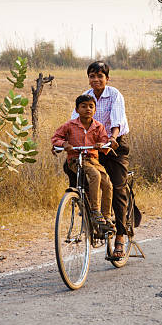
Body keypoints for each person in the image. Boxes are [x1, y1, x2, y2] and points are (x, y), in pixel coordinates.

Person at [69, 61, 130, 258]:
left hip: (112, 145)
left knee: (117, 187)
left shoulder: (114, 95)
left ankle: (120, 236)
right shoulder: (85, 96)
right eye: (92, 76)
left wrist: (112, 138)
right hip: (91, 146)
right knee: (71, 165)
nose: (95, 80)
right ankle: (82, 201)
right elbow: (73, 122)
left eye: (100, 76)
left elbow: (117, 119)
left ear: (107, 78)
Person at [52, 94, 115, 229]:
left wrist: (101, 144)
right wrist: (64, 144)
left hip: (93, 160)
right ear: (77, 109)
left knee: (107, 183)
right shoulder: (69, 125)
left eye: (91, 106)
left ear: (95, 110)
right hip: (76, 159)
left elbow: (105, 143)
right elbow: (56, 138)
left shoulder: (99, 126)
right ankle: (95, 210)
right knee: (95, 175)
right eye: (83, 106)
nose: (88, 109)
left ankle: (106, 216)